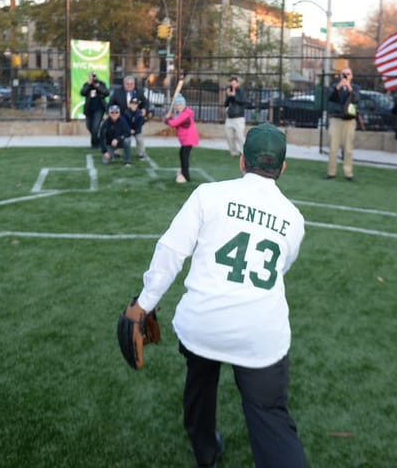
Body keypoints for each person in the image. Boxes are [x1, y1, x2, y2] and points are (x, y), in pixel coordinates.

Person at [121, 123, 308, 468]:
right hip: (260, 333)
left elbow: (171, 250)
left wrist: (144, 303)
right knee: (270, 416)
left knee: (200, 383)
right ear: (282, 168)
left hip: (202, 322)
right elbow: (281, 268)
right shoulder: (294, 220)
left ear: (241, 162)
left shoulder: (208, 195)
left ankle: (205, 449)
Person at [325, 68, 360, 181]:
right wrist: (339, 86)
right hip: (336, 120)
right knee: (333, 148)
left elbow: (356, 99)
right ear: (340, 76)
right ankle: (331, 172)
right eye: (344, 74)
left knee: (348, 148)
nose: (346, 76)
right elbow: (330, 98)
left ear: (351, 76)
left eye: (348, 74)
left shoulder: (355, 88)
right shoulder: (334, 86)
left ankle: (348, 173)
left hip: (349, 121)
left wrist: (349, 87)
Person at [166, 94, 199, 183]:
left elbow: (174, 123)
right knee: (182, 154)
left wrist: (167, 120)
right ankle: (183, 172)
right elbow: (176, 120)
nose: (178, 107)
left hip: (189, 139)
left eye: (180, 105)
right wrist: (170, 119)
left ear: (184, 105)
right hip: (186, 140)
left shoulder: (185, 114)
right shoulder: (183, 113)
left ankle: (186, 176)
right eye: (177, 105)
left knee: (184, 156)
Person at [80, 72, 109, 149]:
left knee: (95, 127)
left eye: (94, 77)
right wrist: (89, 84)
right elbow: (82, 92)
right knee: (89, 126)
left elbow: (106, 92)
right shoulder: (87, 85)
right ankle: (98, 141)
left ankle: (94, 144)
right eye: (91, 77)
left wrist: (98, 86)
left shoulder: (101, 84)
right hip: (89, 109)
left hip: (99, 109)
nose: (92, 78)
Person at [223, 75, 249, 157]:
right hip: (229, 117)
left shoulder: (241, 91)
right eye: (231, 84)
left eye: (234, 83)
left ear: (237, 83)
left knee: (240, 136)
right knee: (229, 136)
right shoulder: (229, 91)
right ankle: (234, 152)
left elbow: (244, 101)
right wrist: (229, 97)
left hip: (239, 117)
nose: (233, 85)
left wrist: (234, 96)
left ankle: (245, 152)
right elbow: (225, 104)